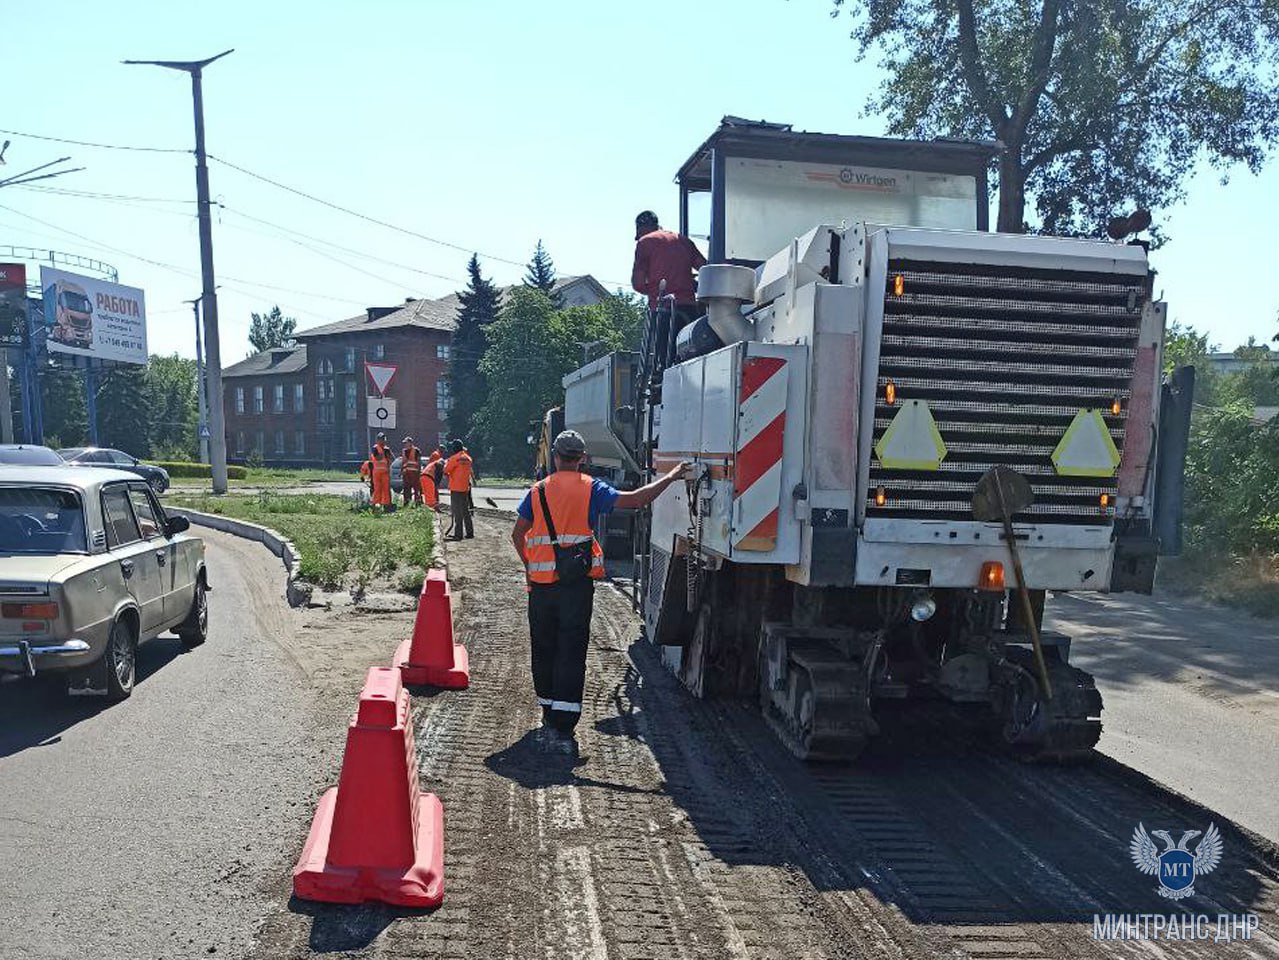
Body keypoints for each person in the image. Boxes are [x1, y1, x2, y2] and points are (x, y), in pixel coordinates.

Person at [511, 429, 690, 749]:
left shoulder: (536, 492)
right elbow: (636, 500)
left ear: (554, 457)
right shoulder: (591, 488)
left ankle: (548, 708)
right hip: (576, 585)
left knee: (544, 647)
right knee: (571, 647)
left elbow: (518, 534)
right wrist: (673, 476)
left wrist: (530, 569)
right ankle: (564, 721)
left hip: (540, 587)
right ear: (581, 460)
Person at [631, 210, 706, 334]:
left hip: (664, 310)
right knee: (687, 350)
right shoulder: (683, 240)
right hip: (689, 309)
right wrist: (691, 284)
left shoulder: (644, 242)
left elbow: (638, 284)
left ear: (640, 229)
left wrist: (655, 289)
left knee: (664, 351)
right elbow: (706, 269)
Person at [443, 439, 474, 539]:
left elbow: (446, 470)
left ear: (455, 448)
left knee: (457, 512)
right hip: (465, 488)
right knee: (465, 510)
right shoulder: (468, 458)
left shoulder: (454, 458)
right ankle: (470, 532)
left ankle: (458, 534)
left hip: (455, 488)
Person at [368, 432, 394, 509]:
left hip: (385, 472)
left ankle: (386, 504)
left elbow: (391, 458)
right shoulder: (375, 448)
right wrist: (384, 453)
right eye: (380, 439)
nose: (382, 441)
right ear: (377, 440)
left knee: (386, 489)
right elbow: (377, 458)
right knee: (377, 488)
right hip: (377, 472)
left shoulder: (387, 449)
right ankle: (375, 503)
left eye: (383, 440)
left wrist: (387, 453)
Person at [400, 436, 423, 506]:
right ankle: (406, 503)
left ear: (410, 443)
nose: (405, 444)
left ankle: (418, 502)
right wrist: (401, 471)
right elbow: (403, 462)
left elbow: (419, 462)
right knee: (406, 490)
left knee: (416, 489)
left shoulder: (416, 451)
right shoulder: (404, 451)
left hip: (414, 474)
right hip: (406, 474)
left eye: (406, 443)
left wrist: (419, 472)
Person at [422, 445, 444, 509]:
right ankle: (434, 506)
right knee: (433, 492)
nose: (443, 452)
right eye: (443, 450)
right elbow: (438, 469)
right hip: (430, 476)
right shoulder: (436, 455)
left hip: (426, 475)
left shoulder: (436, 455)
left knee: (428, 494)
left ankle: (432, 506)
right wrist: (437, 482)